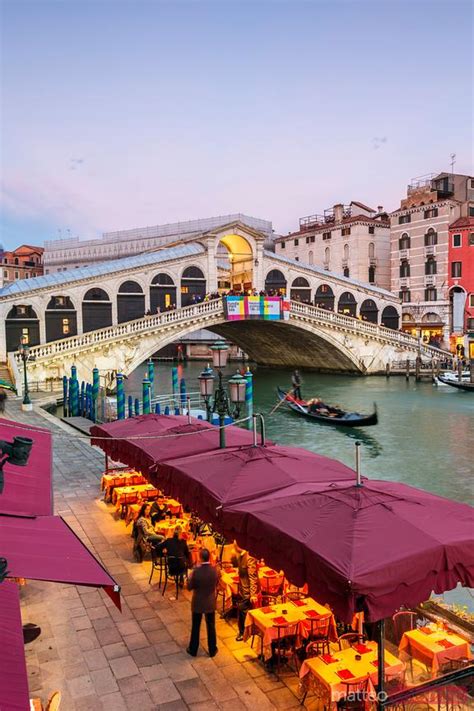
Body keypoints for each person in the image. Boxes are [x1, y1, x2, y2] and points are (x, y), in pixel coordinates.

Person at [186, 548, 218, 657]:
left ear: (200, 557)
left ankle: (193, 649)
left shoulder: (196, 571)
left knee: (196, 626)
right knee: (211, 626)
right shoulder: (214, 570)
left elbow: (189, 587)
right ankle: (212, 649)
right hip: (210, 602)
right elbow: (217, 582)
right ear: (209, 557)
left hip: (198, 602)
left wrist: (189, 578)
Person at [232, 542, 259, 641]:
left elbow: (253, 577)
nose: (234, 546)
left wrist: (253, 594)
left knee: (243, 610)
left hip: (248, 591)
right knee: (241, 609)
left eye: (235, 544)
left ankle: (244, 632)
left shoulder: (249, 557)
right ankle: (244, 631)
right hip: (242, 589)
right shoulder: (240, 555)